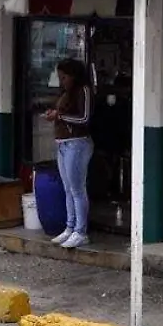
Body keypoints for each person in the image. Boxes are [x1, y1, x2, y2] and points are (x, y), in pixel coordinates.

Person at [44, 58, 95, 249]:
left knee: (77, 189)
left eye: (64, 77)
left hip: (77, 144)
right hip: (63, 144)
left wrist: (59, 116)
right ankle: (70, 227)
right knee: (68, 188)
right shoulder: (66, 93)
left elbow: (84, 117)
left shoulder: (84, 91)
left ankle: (80, 231)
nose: (62, 81)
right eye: (60, 77)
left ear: (74, 76)